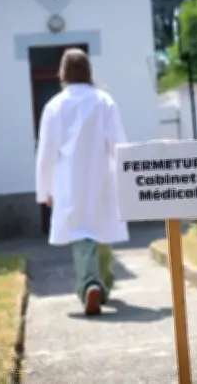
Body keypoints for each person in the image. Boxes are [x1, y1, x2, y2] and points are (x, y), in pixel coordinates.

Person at [35, 48, 129, 316]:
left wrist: (45, 190)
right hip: (102, 178)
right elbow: (119, 143)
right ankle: (104, 284)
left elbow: (46, 152)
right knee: (103, 231)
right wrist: (127, 179)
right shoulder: (104, 101)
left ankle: (90, 284)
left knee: (82, 235)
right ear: (89, 72)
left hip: (69, 182)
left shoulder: (54, 106)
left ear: (62, 74)